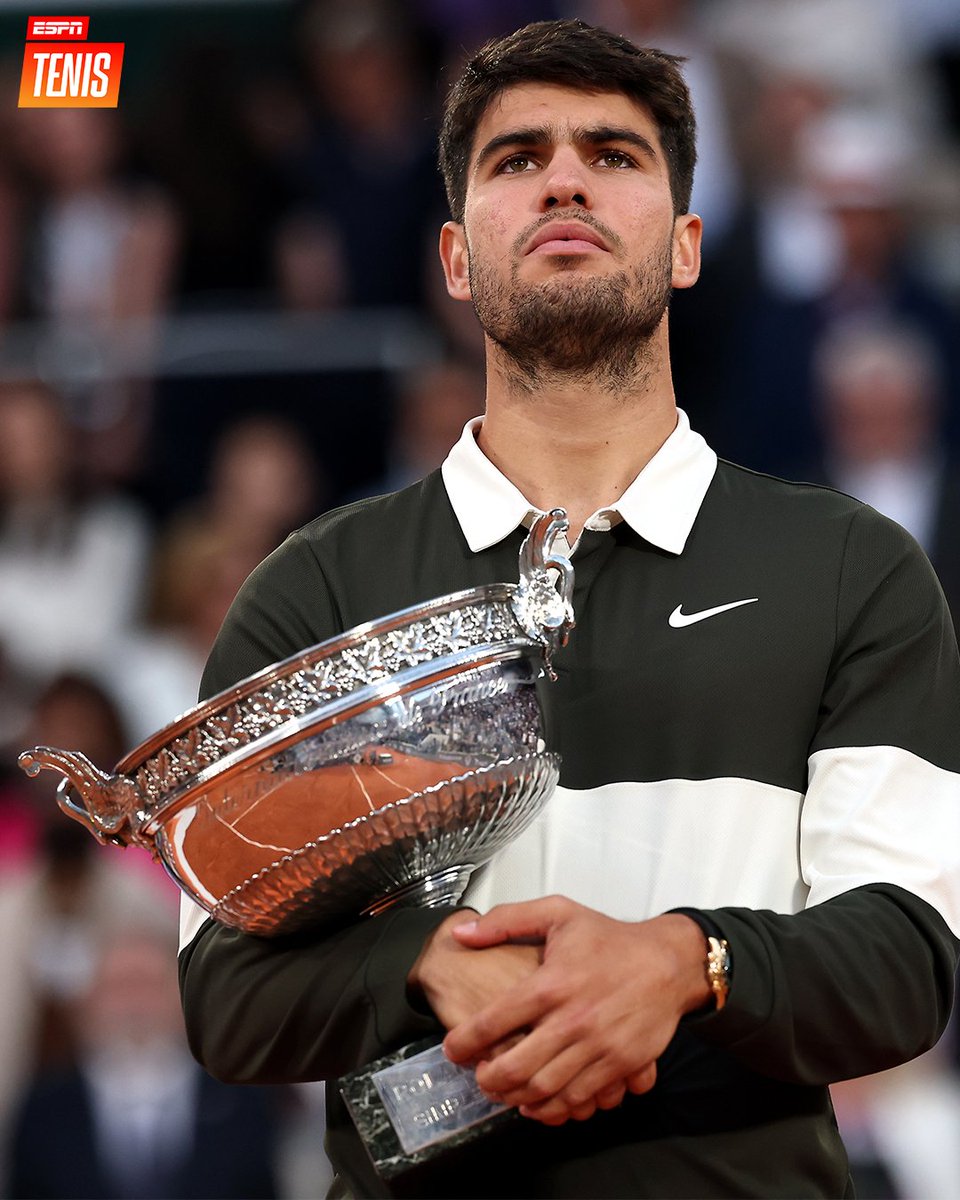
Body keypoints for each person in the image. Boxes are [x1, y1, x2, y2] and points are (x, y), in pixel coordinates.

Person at [177, 20, 960, 1199]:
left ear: (687, 244)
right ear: (454, 257)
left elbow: (906, 960)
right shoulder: (318, 586)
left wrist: (689, 963)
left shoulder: (851, 567)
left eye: (614, 152)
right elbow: (225, 994)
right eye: (515, 158)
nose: (564, 179)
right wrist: (425, 964)